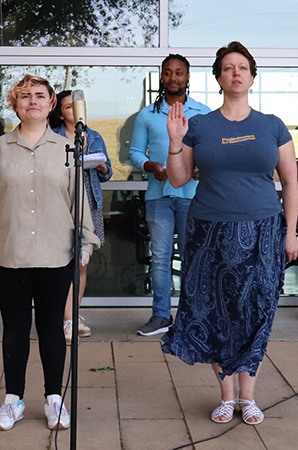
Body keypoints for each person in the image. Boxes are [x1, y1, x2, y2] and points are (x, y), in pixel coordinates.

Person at [161, 41, 298, 426]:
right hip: (209, 233)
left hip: (263, 231)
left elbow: (290, 183)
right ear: (219, 77)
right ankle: (226, 397)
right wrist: (175, 143)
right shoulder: (201, 126)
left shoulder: (272, 125)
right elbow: (178, 178)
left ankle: (249, 397)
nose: (235, 73)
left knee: (256, 311)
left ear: (252, 77)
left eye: (242, 67)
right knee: (215, 313)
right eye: (227, 68)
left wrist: (291, 233)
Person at [0, 74, 100, 431]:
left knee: (51, 329)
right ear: (15, 103)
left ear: (51, 104)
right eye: (25, 95)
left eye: (40, 95)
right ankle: (13, 400)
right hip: (8, 253)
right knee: (14, 329)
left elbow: (79, 200)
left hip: (55, 253)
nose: (33, 101)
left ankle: (54, 400)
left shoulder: (67, 149)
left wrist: (85, 241)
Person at [129, 54, 211, 336]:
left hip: (193, 197)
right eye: (167, 73)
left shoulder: (203, 113)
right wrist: (149, 165)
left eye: (179, 73)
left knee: (193, 257)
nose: (173, 78)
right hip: (158, 196)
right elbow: (135, 153)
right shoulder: (147, 115)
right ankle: (161, 316)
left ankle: (190, 317)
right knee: (160, 258)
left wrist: (203, 166)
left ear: (188, 77)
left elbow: (210, 152)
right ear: (161, 77)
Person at [49, 90, 112, 343]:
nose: (73, 112)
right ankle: (65, 319)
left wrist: (103, 167)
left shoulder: (94, 136)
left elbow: (106, 174)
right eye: (67, 108)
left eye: (76, 107)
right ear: (60, 112)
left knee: (82, 262)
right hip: (61, 204)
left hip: (89, 203)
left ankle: (71, 316)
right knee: (61, 261)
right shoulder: (51, 136)